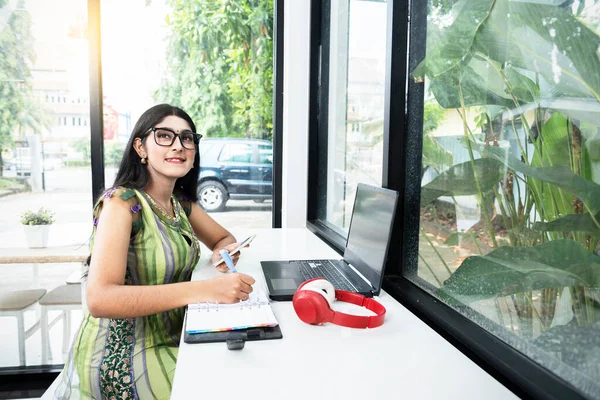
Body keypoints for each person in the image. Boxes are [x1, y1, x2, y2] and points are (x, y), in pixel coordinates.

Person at [56, 104, 255, 399]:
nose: (179, 145)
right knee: (231, 384)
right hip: (123, 358)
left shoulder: (180, 204)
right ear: (141, 147)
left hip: (174, 335)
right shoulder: (121, 204)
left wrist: (222, 253)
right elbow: (100, 299)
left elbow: (224, 238)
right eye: (164, 136)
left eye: (187, 138)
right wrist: (206, 289)